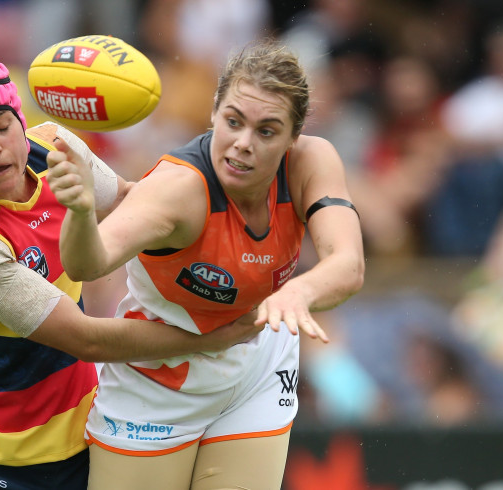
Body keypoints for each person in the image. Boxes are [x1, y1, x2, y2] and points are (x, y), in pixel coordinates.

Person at [0, 55, 265, 489]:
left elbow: (135, 210)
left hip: (86, 443)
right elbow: (85, 338)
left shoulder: (57, 148)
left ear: (21, 121)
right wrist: (212, 337)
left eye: (2, 126)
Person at [46, 39, 365, 489]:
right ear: (214, 111)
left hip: (255, 364)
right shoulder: (178, 191)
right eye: (233, 122)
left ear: (293, 137)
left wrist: (298, 293)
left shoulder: (310, 162)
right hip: (159, 378)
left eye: (267, 131)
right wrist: (79, 212)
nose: (243, 144)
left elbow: (348, 264)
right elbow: (87, 263)